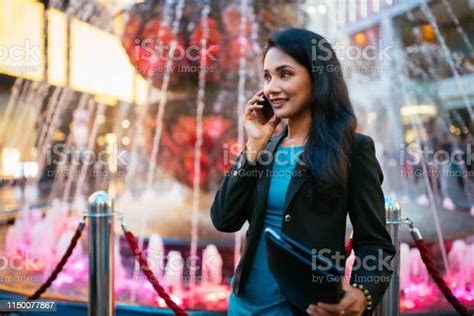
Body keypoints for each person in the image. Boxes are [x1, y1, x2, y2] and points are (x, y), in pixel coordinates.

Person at [210, 28, 395, 316]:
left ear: (317, 76)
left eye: (285, 74)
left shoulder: (353, 150)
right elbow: (224, 219)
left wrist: (363, 294)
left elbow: (375, 244)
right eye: (268, 76)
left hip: (305, 309)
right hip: (243, 306)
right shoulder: (264, 149)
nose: (271, 87)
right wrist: (253, 147)